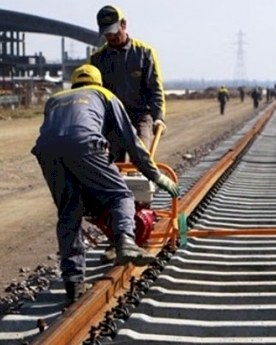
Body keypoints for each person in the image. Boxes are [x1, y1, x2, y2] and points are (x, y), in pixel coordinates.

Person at [30, 64, 180, 304]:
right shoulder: (104, 95)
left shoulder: (55, 98)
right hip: (84, 144)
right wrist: (155, 175)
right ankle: (125, 241)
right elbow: (130, 140)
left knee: (69, 212)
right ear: (98, 82)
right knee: (120, 196)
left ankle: (73, 281)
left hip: (46, 152)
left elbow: (60, 132)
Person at [88, 4, 167, 263]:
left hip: (139, 116)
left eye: (113, 31)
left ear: (124, 25)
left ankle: (137, 230)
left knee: (140, 165)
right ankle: (117, 238)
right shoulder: (98, 59)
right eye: (106, 33)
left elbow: (155, 89)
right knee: (110, 175)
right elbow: (94, 96)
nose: (110, 37)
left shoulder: (144, 53)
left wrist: (159, 119)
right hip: (111, 122)